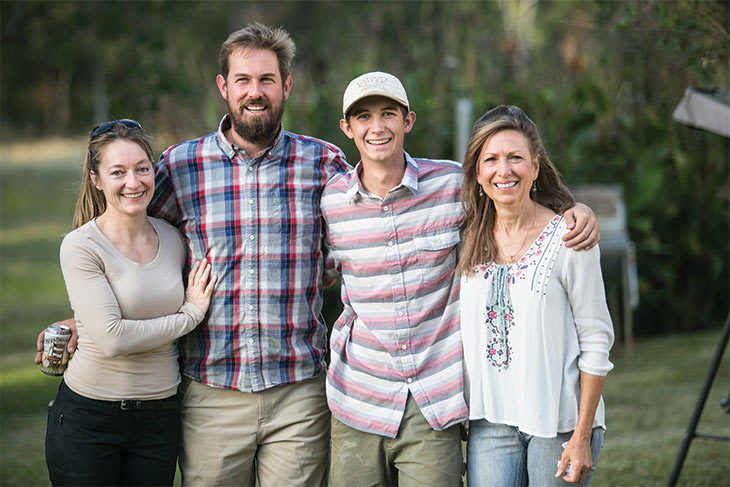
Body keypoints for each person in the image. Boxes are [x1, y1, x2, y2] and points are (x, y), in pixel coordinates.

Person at [322, 74, 601, 486]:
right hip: (359, 395)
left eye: (388, 114)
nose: (377, 126)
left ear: (408, 120)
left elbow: (512, 197)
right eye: (363, 117)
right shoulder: (331, 202)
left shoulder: (451, 186)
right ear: (347, 128)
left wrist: (576, 209)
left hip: (434, 398)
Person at [45, 119, 215, 486]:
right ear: (96, 179)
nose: (134, 182)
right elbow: (112, 339)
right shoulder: (81, 246)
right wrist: (190, 316)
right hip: (90, 419)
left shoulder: (174, 239)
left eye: (142, 169)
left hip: (160, 419)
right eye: (118, 172)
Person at [458, 105, 614, 486]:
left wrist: (581, 436)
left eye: (515, 158)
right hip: (489, 427)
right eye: (491, 159)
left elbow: (597, 341)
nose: (504, 170)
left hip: (558, 426)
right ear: (478, 173)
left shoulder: (570, 238)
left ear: (536, 167)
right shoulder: (464, 238)